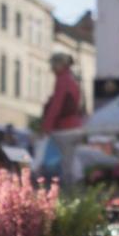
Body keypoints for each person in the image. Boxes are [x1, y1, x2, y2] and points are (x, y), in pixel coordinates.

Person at [38, 53, 83, 183]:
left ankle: (67, 191)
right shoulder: (72, 78)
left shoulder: (63, 80)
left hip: (64, 128)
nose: (51, 68)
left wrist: (46, 126)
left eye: (53, 64)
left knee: (61, 162)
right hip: (74, 126)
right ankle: (75, 187)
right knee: (70, 160)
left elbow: (57, 105)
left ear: (60, 64)